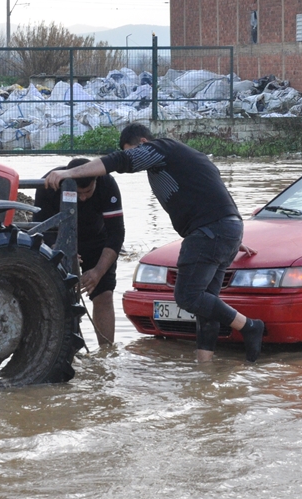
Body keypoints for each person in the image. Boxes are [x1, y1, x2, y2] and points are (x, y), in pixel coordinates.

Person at [44, 123, 264, 363]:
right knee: (205, 305)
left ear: (142, 145)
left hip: (209, 232)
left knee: (188, 297)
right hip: (224, 229)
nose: (134, 159)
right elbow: (215, 192)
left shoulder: (160, 150)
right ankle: (205, 368)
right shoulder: (185, 157)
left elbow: (118, 161)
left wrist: (69, 173)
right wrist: (229, 233)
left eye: (133, 152)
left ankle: (250, 326)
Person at [35, 157, 125, 346]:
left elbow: (116, 234)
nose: (83, 198)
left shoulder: (107, 183)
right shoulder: (48, 185)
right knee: (59, 299)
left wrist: (98, 272)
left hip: (97, 242)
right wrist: (59, 250)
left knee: (104, 295)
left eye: (88, 192)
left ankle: (106, 351)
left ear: (96, 182)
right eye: (78, 193)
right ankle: (66, 351)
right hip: (59, 241)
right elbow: (40, 229)